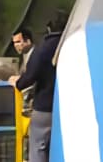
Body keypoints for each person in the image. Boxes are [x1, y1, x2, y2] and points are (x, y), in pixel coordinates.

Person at [9, 11, 67, 162]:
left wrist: (18, 83)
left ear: (48, 29)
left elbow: (30, 76)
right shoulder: (72, 43)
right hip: (69, 105)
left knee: (38, 147)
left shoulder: (42, 50)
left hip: (45, 107)